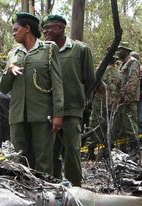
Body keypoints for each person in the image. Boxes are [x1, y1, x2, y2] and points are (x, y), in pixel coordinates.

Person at [0, 12, 64, 176]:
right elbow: (4, 88)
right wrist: (8, 70)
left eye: (16, 29)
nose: (13, 33)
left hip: (42, 115)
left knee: (43, 158)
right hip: (17, 116)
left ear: (27, 28)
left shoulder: (48, 49)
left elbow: (57, 83)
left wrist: (58, 114)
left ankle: (45, 195)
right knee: (19, 159)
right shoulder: (13, 54)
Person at [42, 14, 95, 186]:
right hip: (48, 111)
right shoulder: (44, 50)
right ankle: (55, 187)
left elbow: (90, 80)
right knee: (51, 152)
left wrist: (78, 98)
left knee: (72, 151)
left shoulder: (80, 50)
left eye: (49, 27)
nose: (45, 31)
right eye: (44, 27)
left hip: (72, 110)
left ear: (60, 28)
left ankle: (75, 190)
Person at [86, 55, 121, 160]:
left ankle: (91, 150)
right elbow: (120, 89)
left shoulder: (100, 70)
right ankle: (107, 150)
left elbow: (93, 83)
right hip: (113, 104)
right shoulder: (119, 73)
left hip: (99, 102)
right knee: (110, 126)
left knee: (95, 124)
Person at [115, 43, 141, 156]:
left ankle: (134, 149)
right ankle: (123, 149)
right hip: (122, 100)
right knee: (122, 126)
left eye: (120, 49)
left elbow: (133, 80)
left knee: (130, 124)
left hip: (129, 100)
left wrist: (128, 97)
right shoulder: (123, 64)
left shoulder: (133, 62)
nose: (118, 51)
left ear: (126, 50)